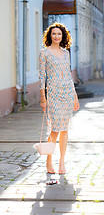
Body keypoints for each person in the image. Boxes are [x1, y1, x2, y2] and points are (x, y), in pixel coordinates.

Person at [39, 22, 79, 174]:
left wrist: (75, 96)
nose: (56, 36)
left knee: (65, 130)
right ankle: (49, 161)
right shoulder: (44, 53)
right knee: (55, 129)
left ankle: (62, 162)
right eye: (54, 33)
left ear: (63, 36)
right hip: (54, 93)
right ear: (49, 36)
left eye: (59, 34)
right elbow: (42, 77)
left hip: (67, 93)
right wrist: (43, 98)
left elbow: (69, 76)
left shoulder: (65, 53)